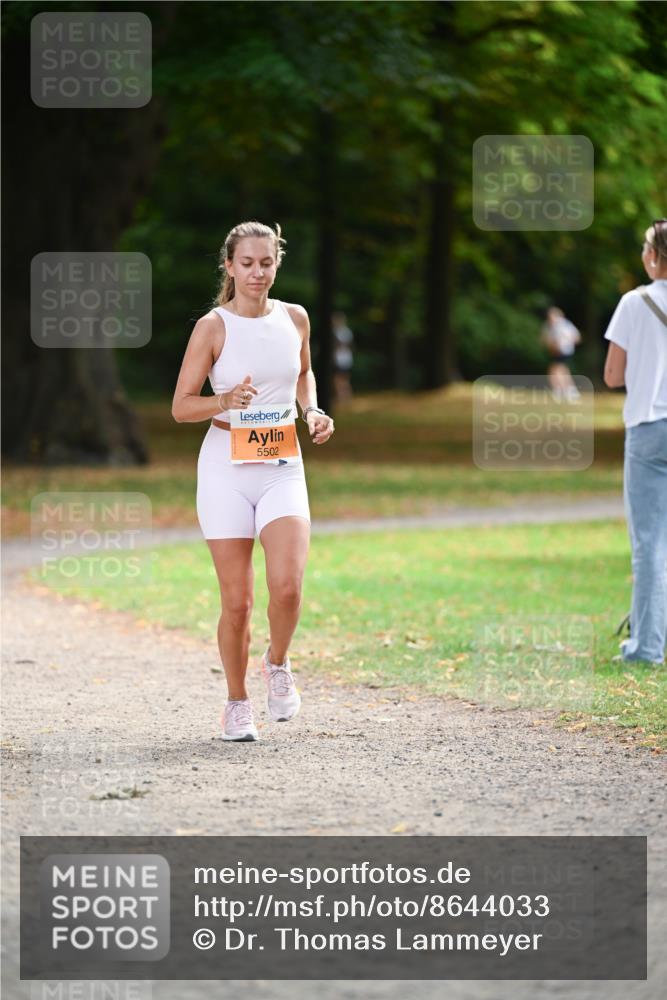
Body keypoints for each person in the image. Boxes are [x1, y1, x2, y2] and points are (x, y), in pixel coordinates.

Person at [171, 221, 335, 740]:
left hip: (282, 463)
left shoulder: (295, 318)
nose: (257, 273)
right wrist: (223, 401)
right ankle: (236, 702)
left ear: (276, 263)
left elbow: (303, 374)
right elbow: (179, 407)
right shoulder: (212, 327)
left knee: (287, 587)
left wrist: (312, 411)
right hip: (224, 468)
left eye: (266, 263)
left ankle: (278, 662)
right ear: (229, 266)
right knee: (237, 602)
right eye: (247, 263)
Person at [603, 218, 667, 667]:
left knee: (649, 542)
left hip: (648, 427)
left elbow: (611, 376)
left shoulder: (634, 302)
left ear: (653, 256)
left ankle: (646, 647)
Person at [540, 306, 582, 401]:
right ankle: (565, 390)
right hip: (560, 351)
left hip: (562, 351)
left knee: (556, 370)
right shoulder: (558, 325)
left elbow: (575, 337)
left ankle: (563, 391)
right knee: (560, 370)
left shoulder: (560, 325)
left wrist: (565, 343)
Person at [332, 310, 354, 402]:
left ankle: (342, 398)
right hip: (347, 358)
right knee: (344, 379)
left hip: (340, 359)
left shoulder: (337, 332)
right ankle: (346, 397)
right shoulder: (347, 331)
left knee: (338, 380)